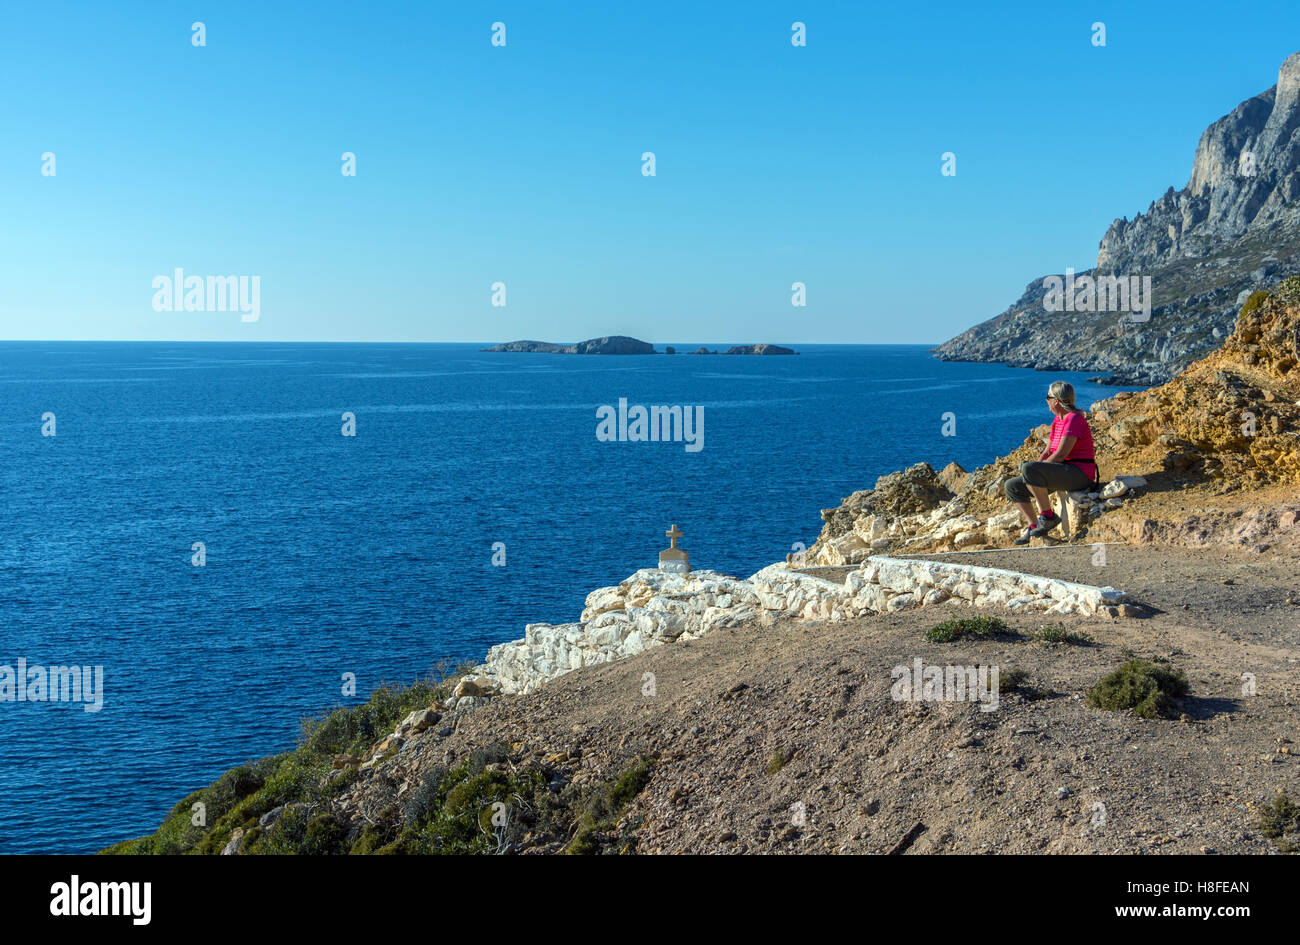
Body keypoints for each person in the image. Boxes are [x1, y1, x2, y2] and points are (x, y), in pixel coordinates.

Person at [1005, 381, 1098, 544]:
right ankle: (1035, 528)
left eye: (1048, 397)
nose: (1045, 400)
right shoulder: (1058, 421)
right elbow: (1048, 451)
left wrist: (1037, 470)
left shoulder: (1074, 419)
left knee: (1029, 468)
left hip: (1078, 473)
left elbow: (1061, 454)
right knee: (1012, 486)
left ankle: (1048, 517)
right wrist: (1031, 474)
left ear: (1056, 401)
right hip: (1061, 472)